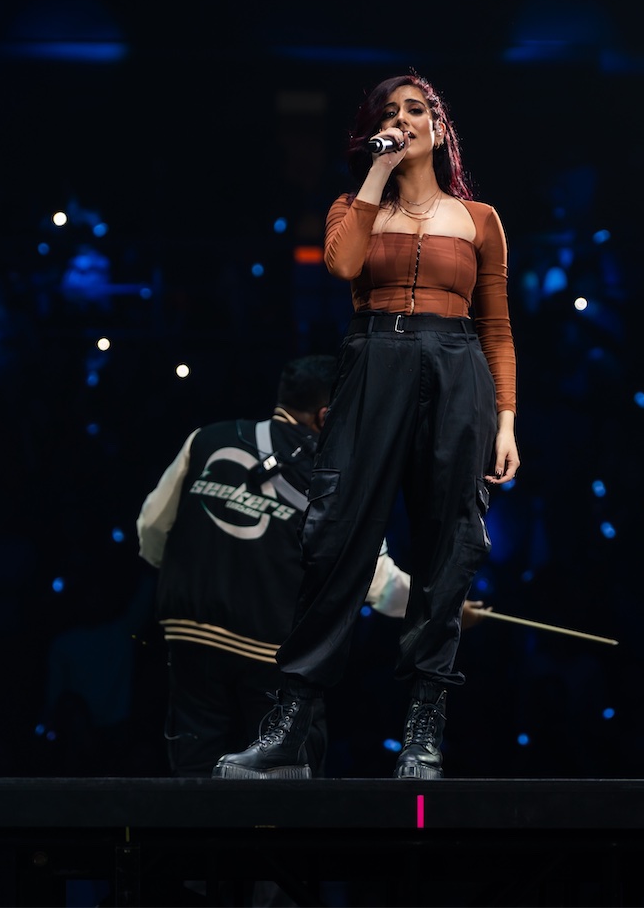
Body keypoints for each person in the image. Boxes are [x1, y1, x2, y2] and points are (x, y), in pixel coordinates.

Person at [216, 73, 519, 781]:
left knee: (448, 548)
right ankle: (290, 723)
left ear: (439, 127)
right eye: (390, 112)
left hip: (457, 368)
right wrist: (379, 169)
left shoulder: (480, 219)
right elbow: (343, 264)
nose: (403, 119)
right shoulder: (353, 207)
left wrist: (506, 420)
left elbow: (498, 327)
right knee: (334, 538)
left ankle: (422, 732)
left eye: (416, 110)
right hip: (373, 360)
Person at [138, 354, 484, 777]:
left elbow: (151, 527)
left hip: (189, 636)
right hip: (274, 654)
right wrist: (445, 609)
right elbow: (374, 581)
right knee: (287, 784)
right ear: (326, 415)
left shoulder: (206, 438)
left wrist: (193, 577)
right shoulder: (337, 477)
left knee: (194, 776)